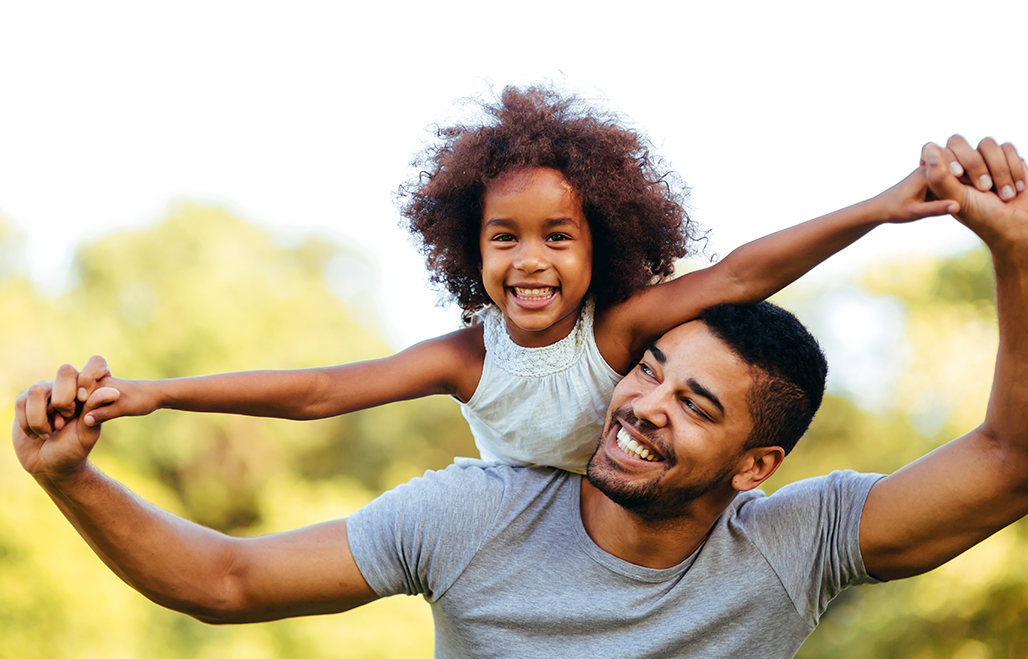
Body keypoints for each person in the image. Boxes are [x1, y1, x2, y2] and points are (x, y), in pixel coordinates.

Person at [14, 136, 1028, 659]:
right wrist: (73, 475)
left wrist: (1022, 247)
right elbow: (224, 575)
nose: (642, 400)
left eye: (695, 400)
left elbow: (1027, 455)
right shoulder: (473, 511)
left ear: (756, 464)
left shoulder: (792, 545)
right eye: (649, 366)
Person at [60, 85, 960, 474]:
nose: (530, 261)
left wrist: (876, 209)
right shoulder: (466, 357)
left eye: (558, 237)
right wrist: (158, 393)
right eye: (504, 238)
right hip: (515, 543)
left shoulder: (615, 334)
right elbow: (323, 390)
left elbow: (742, 272)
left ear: (599, 245)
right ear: (470, 248)